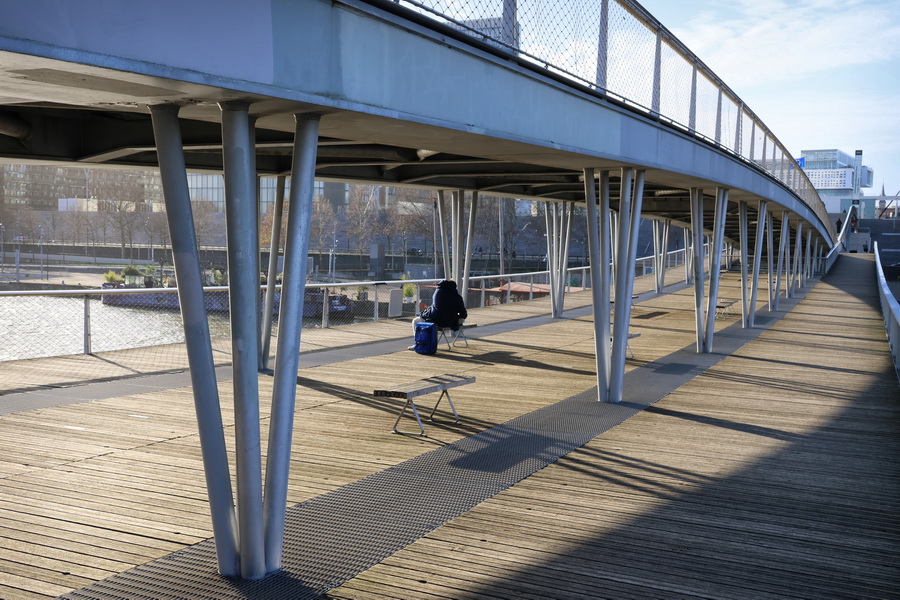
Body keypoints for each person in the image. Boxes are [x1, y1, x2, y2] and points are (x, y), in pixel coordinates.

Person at [409, 280, 468, 348]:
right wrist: (455, 316)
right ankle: (430, 344)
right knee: (434, 324)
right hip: (449, 323)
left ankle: (418, 344)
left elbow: (434, 309)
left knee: (416, 321)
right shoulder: (457, 297)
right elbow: (464, 314)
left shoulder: (437, 293)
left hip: (434, 320)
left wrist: (423, 314)